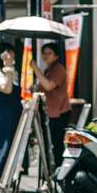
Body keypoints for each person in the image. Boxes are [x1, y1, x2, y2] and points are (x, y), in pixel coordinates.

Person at [32, 41, 71, 172]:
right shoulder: (48, 70)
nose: (45, 56)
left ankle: (59, 174)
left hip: (60, 112)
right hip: (51, 112)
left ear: (56, 56)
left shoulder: (58, 69)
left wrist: (36, 69)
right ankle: (52, 173)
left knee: (56, 144)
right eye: (44, 53)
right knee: (50, 144)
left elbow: (49, 85)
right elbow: (43, 86)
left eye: (49, 53)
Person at [0, 42, 22, 187]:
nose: (12, 56)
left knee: (15, 142)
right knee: (5, 143)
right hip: (4, 113)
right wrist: (8, 68)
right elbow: (7, 89)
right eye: (9, 53)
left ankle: (11, 175)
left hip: (16, 111)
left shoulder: (12, 70)